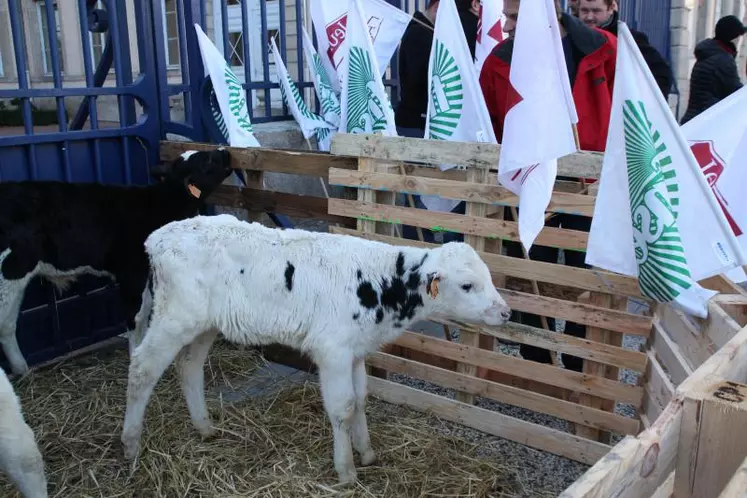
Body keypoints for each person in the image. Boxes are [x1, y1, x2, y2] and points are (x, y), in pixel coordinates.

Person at [478, 0, 617, 372]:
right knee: (528, 270)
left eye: (514, 18)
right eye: (506, 16)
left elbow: (624, 107)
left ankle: (575, 359)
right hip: (527, 182)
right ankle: (535, 360)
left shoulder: (603, 49)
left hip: (587, 185)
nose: (504, 26)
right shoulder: (498, 61)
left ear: (548, 17)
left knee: (582, 272)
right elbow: (491, 120)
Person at [394, 0, 467, 243]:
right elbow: (421, 80)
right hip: (417, 124)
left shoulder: (425, 32)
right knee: (418, 193)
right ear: (438, 8)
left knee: (429, 192)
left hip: (422, 123)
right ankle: (417, 245)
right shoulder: (420, 34)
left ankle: (426, 240)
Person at [577, 0, 672, 98]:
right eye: (584, 10)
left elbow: (661, 75)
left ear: (610, 9)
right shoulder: (569, 36)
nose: (589, 17)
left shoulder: (629, 39)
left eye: (596, 11)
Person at [680, 15, 746, 124]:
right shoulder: (723, 60)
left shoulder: (707, 54)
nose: (739, 40)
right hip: (708, 121)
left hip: (694, 119)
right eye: (738, 37)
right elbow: (736, 93)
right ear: (732, 38)